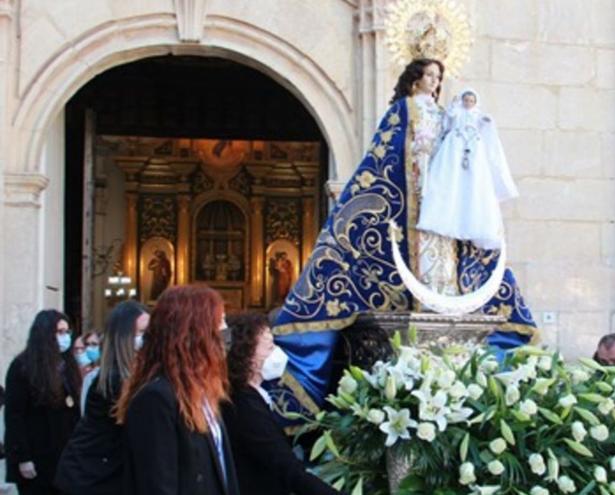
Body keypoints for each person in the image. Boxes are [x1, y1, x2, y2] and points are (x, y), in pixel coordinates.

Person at [272, 58, 536, 419]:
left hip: (442, 203)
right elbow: (387, 157)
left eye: (438, 77)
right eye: (428, 75)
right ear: (414, 80)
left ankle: (445, 294)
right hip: (412, 199)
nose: (433, 82)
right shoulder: (403, 110)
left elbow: (464, 140)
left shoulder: (443, 112)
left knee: (450, 250)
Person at [114, 285, 239, 495]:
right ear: (194, 333)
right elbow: (158, 484)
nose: (225, 333)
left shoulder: (202, 393)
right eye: (219, 323)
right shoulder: (156, 398)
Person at [221, 313, 340, 495]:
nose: (277, 352)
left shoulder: (249, 397)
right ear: (248, 356)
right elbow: (286, 468)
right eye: (269, 348)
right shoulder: (244, 405)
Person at [54, 300, 149, 494]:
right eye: (140, 333)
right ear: (123, 336)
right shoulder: (113, 380)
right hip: (91, 477)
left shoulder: (124, 375)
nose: (145, 339)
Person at [416, 88, 518, 251]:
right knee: (448, 181)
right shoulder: (457, 112)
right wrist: (452, 108)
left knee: (474, 187)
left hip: (473, 151)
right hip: (453, 149)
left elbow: (487, 130)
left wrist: (487, 122)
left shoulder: (477, 116)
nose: (468, 103)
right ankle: (441, 218)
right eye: (466, 100)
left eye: (471, 101)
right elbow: (447, 122)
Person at [4, 310, 82, 495]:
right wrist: (23, 457)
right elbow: (15, 416)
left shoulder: (66, 366)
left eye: (67, 332)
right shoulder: (23, 367)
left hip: (64, 455)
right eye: (60, 332)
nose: (65, 337)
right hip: (37, 455)